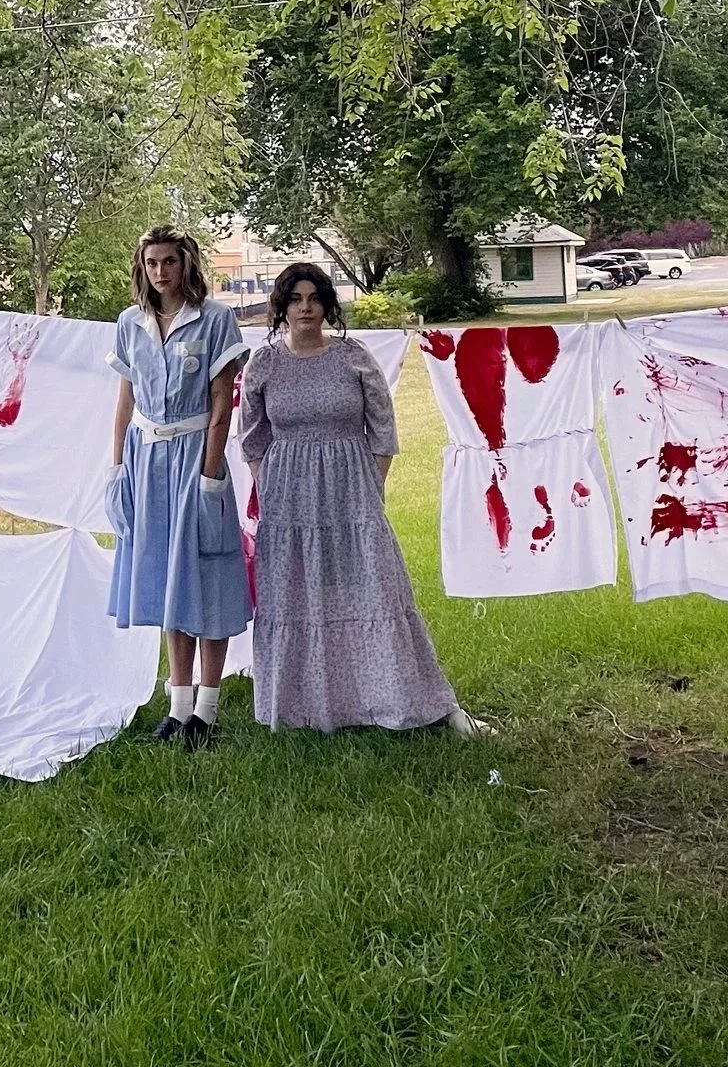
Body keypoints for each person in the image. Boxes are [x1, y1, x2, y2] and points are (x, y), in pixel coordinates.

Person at [238, 261, 490, 738]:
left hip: (353, 489)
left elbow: (383, 429)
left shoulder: (354, 356)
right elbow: (251, 436)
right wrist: (270, 489)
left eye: (314, 298)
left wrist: (370, 490)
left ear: (328, 305)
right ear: (282, 307)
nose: (306, 308)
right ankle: (308, 708)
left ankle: (419, 705)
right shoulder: (264, 364)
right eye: (296, 299)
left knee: (376, 592)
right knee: (300, 597)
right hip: (289, 497)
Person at [106, 224, 250, 749]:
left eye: (169, 261)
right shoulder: (130, 324)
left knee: (206, 579)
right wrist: (117, 466)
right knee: (170, 582)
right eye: (152, 264)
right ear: (142, 269)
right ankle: (178, 705)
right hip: (148, 462)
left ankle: (206, 712)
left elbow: (221, 403)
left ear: (186, 264)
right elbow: (125, 400)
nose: (161, 272)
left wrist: (212, 475)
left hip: (194, 459)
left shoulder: (214, 321)